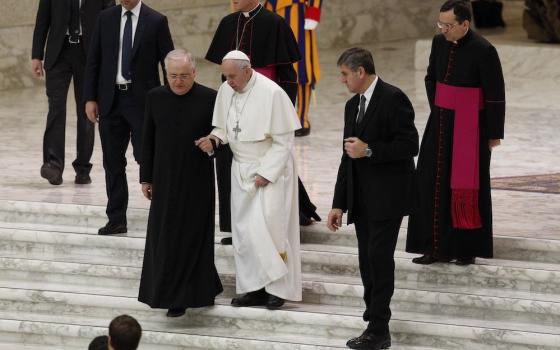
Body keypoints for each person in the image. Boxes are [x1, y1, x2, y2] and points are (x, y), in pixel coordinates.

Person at [206, 0, 320, 245]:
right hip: (235, 106)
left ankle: (295, 213)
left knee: (269, 159)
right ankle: (234, 227)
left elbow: (287, 77)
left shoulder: (275, 23)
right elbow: (224, 76)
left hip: (264, 107)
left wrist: (280, 112)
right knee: (228, 159)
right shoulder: (228, 23)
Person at [327, 47, 418, 350]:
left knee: (379, 259)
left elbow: (409, 145)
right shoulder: (352, 105)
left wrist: (369, 150)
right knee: (367, 260)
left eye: (344, 74)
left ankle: (379, 328)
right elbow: (347, 156)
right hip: (362, 198)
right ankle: (374, 321)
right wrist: (339, 202)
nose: (342, 80)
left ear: (360, 72)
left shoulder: (393, 98)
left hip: (389, 197)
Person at [197, 50, 302, 310]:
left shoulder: (273, 93)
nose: (228, 81)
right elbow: (223, 127)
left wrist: (266, 173)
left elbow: (283, 141)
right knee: (244, 234)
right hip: (240, 169)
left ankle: (277, 289)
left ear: (247, 70)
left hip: (269, 171)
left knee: (271, 230)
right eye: (225, 76)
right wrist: (213, 140)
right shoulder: (225, 90)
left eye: (232, 76)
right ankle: (253, 288)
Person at [406, 0, 505, 266]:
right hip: (440, 122)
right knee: (430, 181)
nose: (444, 30)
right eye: (441, 24)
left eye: (449, 25)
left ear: (465, 24)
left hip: (471, 127)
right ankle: (431, 247)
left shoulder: (485, 50)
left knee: (466, 187)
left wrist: (493, 133)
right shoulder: (439, 43)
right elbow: (430, 78)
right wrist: (441, 106)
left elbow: (495, 95)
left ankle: (464, 250)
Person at [137, 50, 223, 318]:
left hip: (197, 179)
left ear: (194, 74)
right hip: (164, 179)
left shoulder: (210, 98)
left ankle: (194, 292)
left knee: (195, 236)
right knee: (166, 237)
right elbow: (147, 140)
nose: (178, 81)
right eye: (173, 76)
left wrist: (213, 142)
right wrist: (146, 177)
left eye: (184, 76)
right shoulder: (155, 97)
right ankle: (170, 293)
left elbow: (223, 135)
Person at [83, 0, 174, 235]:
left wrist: (171, 102)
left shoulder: (156, 20)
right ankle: (116, 219)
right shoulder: (106, 18)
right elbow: (94, 60)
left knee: (148, 158)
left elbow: (168, 64)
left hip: (143, 102)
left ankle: (162, 216)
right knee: (112, 162)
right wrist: (90, 98)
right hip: (111, 101)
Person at [31, 0, 115, 185]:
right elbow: (42, 19)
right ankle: (53, 165)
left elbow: (111, 23)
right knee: (56, 108)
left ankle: (83, 167)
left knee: (87, 111)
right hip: (58, 53)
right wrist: (37, 55)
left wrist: (108, 59)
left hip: (89, 54)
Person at [264, 0, 323, 136]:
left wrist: (313, 13)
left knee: (302, 68)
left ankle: (302, 119)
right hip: (271, 11)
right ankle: (279, 119)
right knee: (274, 66)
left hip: (297, 11)